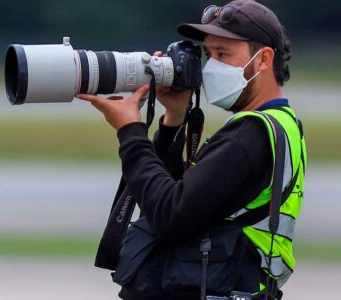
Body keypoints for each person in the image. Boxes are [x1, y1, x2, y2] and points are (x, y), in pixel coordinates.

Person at [77, 0, 307, 299]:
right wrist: (174, 119)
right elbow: (166, 201)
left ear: (263, 60)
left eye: (223, 54)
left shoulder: (250, 135)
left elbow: (169, 216)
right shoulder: (281, 124)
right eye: (208, 54)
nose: (212, 67)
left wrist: (130, 132)